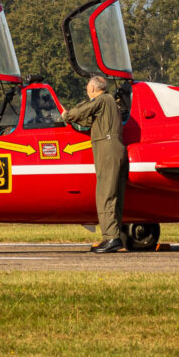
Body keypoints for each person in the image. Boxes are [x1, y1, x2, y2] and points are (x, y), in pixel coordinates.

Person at [62, 75, 128, 253]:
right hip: (117, 149)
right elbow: (88, 121)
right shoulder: (110, 104)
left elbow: (78, 113)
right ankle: (115, 238)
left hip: (108, 151)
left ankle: (111, 238)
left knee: (105, 196)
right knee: (114, 196)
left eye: (87, 89)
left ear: (92, 89)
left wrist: (66, 115)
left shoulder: (102, 100)